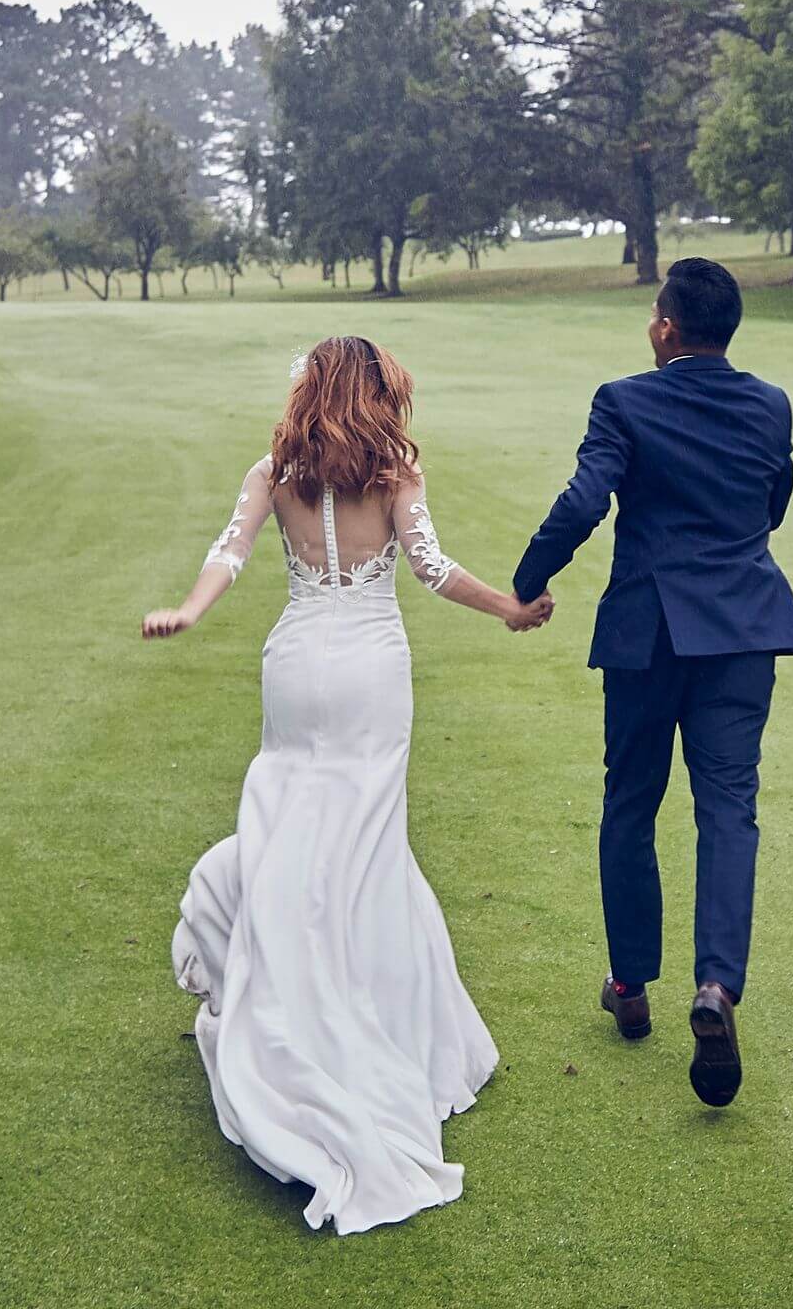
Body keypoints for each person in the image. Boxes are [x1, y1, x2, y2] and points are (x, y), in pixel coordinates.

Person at [146, 335, 551, 1235]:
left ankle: (275, 977)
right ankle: (356, 1017)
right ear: (378, 393)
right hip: (371, 666)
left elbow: (229, 553)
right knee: (365, 847)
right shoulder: (395, 472)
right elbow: (433, 570)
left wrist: (188, 611)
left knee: (291, 824)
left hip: (294, 661)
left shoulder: (274, 471)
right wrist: (513, 609)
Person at [513, 257, 793, 1107]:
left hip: (648, 631)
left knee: (631, 804)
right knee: (729, 810)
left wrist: (528, 582)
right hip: (744, 629)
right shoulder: (769, 403)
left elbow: (583, 503)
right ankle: (716, 988)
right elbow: (772, 500)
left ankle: (630, 985)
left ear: (667, 328)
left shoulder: (625, 399)